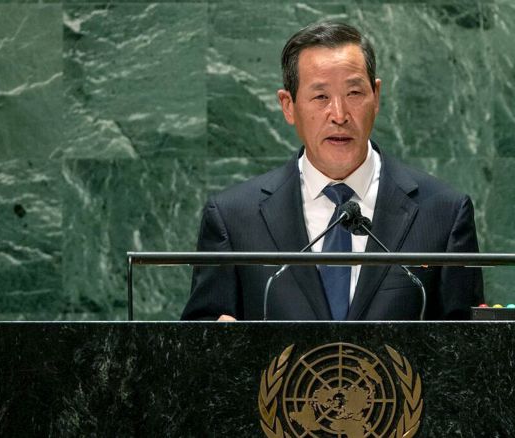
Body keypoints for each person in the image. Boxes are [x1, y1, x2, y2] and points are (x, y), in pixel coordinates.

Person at [181, 21, 483, 321]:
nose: (339, 115)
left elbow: (470, 343)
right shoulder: (234, 218)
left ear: (376, 96)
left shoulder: (442, 214)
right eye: (321, 97)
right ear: (288, 105)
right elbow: (197, 336)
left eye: (354, 93)